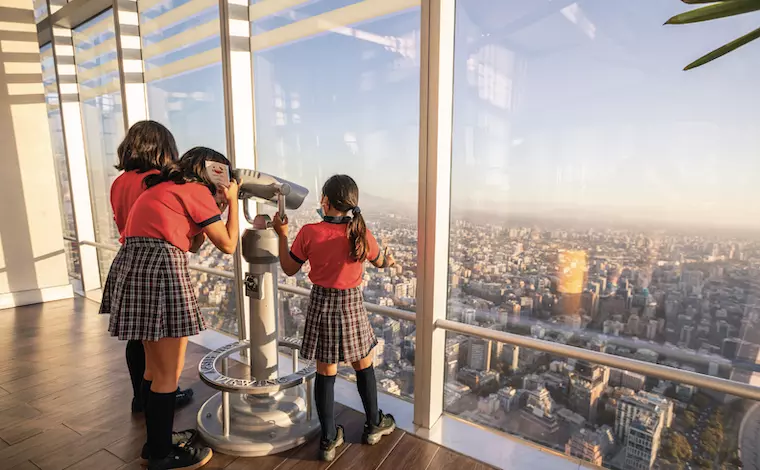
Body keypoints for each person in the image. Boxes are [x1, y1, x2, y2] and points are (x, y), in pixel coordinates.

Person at [100, 147, 240, 470]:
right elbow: (230, 244)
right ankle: (162, 456)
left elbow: (192, 241)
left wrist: (214, 207)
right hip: (160, 268)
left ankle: (155, 444)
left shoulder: (165, 188)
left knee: (153, 370)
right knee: (168, 373)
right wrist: (231, 202)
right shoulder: (194, 191)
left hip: (135, 266)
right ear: (210, 172)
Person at [273, 174, 397, 462]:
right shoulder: (361, 233)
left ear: (325, 202)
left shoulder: (309, 232)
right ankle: (373, 425)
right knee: (363, 364)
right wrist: (389, 261)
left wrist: (281, 234)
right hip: (351, 303)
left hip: (322, 302)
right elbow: (380, 261)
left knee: (325, 371)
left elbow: (289, 268)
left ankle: (329, 439)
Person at [110, 120, 194, 415]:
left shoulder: (118, 183)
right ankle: (161, 395)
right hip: (158, 262)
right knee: (164, 347)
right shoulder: (159, 180)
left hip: (127, 258)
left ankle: (140, 399)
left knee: (138, 337)